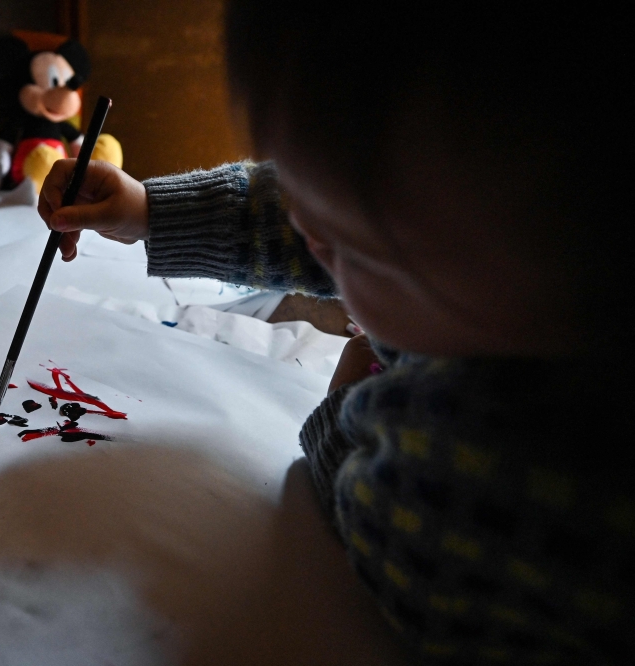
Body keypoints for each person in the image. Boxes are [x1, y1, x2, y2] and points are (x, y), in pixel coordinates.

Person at [38, 4, 632, 665]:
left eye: (349, 247)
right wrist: (148, 210)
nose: (310, 239)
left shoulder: (492, 468)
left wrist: (348, 403)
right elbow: (309, 214)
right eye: (298, 193)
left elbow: (359, 495)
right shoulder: (500, 243)